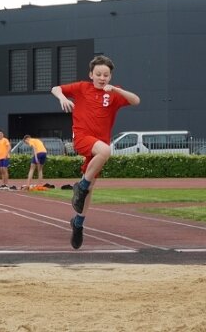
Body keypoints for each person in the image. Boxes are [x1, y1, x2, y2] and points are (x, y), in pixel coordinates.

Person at [51, 55, 140, 249]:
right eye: (98, 74)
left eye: (106, 75)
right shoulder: (82, 87)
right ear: (91, 74)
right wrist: (62, 98)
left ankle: (78, 223)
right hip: (83, 138)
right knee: (106, 151)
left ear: (110, 77)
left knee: (90, 187)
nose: (102, 78)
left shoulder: (114, 94)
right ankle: (80, 186)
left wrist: (116, 89)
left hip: (99, 145)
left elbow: (136, 100)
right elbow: (55, 88)